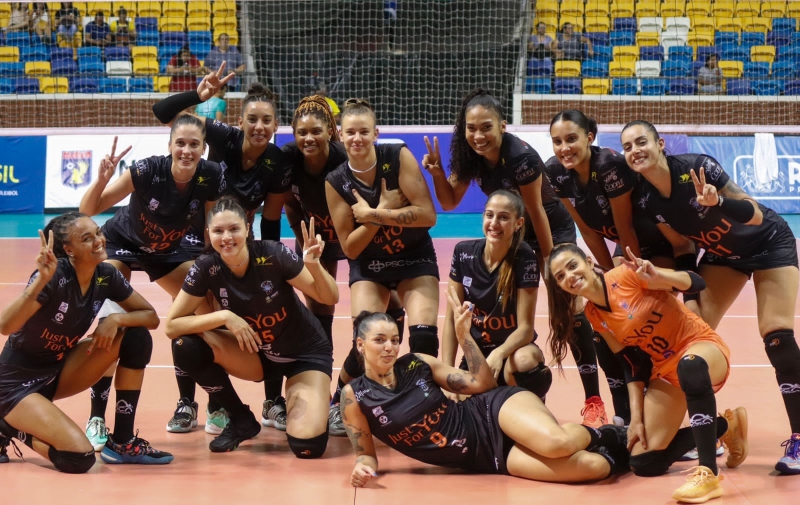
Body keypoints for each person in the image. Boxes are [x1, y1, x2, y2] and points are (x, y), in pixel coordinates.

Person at [620, 120, 800, 475]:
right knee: (692, 335)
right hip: (722, 256)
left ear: (659, 144)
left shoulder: (697, 168)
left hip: (768, 243)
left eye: (641, 142)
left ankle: (799, 437)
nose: (634, 151)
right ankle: (712, 427)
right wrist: (689, 295)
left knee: (776, 335)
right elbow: (682, 246)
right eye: (627, 147)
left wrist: (718, 202)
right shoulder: (645, 197)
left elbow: (754, 211)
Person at [425, 88, 610, 427]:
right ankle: (509, 381)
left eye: (486, 128)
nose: (478, 135)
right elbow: (449, 202)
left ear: (502, 126)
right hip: (511, 230)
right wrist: (438, 173)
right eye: (471, 128)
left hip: (549, 228)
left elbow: (537, 212)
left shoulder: (520, 157)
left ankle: (593, 399)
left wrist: (552, 265)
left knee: (569, 310)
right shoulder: (469, 155)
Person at [341, 304, 631, 488]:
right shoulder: (355, 397)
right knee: (593, 468)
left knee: (557, 443)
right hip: (487, 457)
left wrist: (464, 336)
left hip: (492, 411)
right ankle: (623, 454)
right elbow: (366, 454)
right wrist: (362, 469)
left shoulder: (417, 363)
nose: (390, 347)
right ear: (360, 344)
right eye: (379, 340)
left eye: (394, 340)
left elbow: (482, 384)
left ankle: (612, 435)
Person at [548, 244, 748, 503]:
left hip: (700, 347)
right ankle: (725, 425)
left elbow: (697, 283)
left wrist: (661, 277)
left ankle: (708, 473)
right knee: (644, 461)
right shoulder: (594, 314)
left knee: (690, 366)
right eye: (560, 276)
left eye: (572, 266)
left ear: (588, 261)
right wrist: (637, 419)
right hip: (665, 369)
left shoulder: (626, 275)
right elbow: (632, 363)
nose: (570, 277)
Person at [152, 69, 294, 431]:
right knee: (195, 320)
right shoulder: (223, 136)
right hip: (197, 242)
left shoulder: (277, 162)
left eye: (266, 120)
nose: (258, 126)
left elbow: (273, 218)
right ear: (240, 121)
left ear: (275, 124)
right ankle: (190, 404)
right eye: (252, 119)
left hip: (240, 246)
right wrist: (198, 96)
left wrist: (273, 264)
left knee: (266, 312)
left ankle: (271, 401)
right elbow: (162, 112)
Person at [79, 124, 227, 438]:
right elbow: (88, 210)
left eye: (194, 144)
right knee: (111, 315)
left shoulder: (211, 175)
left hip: (167, 249)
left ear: (203, 148)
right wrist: (103, 178)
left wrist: (209, 270)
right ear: (170, 145)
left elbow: (210, 229)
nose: (187, 151)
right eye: (181, 143)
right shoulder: (147, 170)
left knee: (205, 307)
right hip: (122, 241)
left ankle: (215, 402)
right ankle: (96, 418)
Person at [164, 197, 338, 457]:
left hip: (304, 356)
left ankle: (304, 394)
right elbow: (172, 326)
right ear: (209, 234)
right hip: (257, 354)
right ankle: (241, 419)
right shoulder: (206, 267)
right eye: (218, 231)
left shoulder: (273, 254)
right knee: (185, 346)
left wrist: (314, 265)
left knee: (307, 447)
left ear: (247, 228)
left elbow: (329, 297)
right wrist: (224, 317)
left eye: (234, 229)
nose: (227, 237)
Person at [0, 213, 172, 471]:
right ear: (69, 249)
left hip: (59, 370)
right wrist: (39, 284)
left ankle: (122, 442)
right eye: (87, 238)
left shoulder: (105, 275)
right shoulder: (52, 276)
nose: (98, 241)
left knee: (135, 335)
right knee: (79, 458)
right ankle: (9, 427)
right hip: (15, 384)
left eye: (98, 233)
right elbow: (5, 327)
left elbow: (150, 317)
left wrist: (114, 319)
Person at [278, 95, 407, 436]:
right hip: (316, 243)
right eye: (301, 132)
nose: (309, 138)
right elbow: (289, 204)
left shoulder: (344, 160)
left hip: (359, 239)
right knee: (319, 314)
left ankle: (359, 390)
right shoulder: (290, 162)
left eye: (316, 131)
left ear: (331, 131)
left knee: (389, 310)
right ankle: (325, 399)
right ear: (293, 133)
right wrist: (300, 236)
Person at [325, 98, 441, 418]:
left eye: (364, 131)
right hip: (370, 266)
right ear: (340, 135)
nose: (357, 139)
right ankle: (339, 400)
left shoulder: (397, 156)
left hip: (414, 258)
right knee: (365, 341)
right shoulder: (336, 181)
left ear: (376, 133)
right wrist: (385, 214)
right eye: (350, 132)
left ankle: (425, 405)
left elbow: (428, 215)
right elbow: (350, 248)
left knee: (423, 336)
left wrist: (372, 213)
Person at [443, 190, 552, 401]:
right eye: (489, 215)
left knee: (526, 361)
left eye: (503, 217)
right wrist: (448, 374)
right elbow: (450, 320)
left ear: (518, 223)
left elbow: (526, 330)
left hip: (510, 352)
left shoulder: (524, 256)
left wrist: (499, 353)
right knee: (463, 411)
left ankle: (529, 409)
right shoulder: (463, 253)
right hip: (475, 354)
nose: (494, 223)